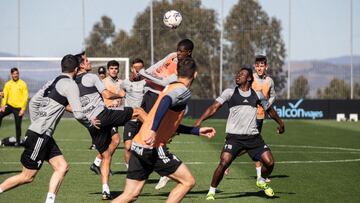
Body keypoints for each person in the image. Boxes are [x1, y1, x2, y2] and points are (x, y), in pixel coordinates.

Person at [112, 57, 216, 203]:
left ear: (177, 72)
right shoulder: (183, 91)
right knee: (187, 181)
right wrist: (154, 130)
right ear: (195, 75)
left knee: (130, 194)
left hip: (139, 143)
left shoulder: (171, 86)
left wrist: (196, 131)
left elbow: (169, 124)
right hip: (152, 147)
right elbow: (166, 101)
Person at [0, 54, 98, 203]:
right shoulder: (70, 85)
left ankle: (50, 201)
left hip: (43, 134)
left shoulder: (53, 81)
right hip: (40, 135)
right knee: (27, 177)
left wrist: (37, 123)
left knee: (62, 167)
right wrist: (91, 123)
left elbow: (33, 103)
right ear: (77, 69)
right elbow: (78, 114)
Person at [194, 67, 285, 200]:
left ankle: (262, 180)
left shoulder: (257, 95)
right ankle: (211, 191)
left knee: (270, 163)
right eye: (237, 74)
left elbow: (270, 110)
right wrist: (199, 121)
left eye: (241, 74)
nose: (238, 76)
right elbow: (214, 108)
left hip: (254, 138)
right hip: (234, 138)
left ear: (249, 78)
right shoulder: (229, 93)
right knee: (224, 163)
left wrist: (281, 123)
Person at [74, 52, 145, 200]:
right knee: (138, 112)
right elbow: (106, 95)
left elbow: (68, 106)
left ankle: (105, 189)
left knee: (108, 153)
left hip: (93, 123)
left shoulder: (72, 83)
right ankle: (156, 132)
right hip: (105, 115)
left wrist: (85, 115)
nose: (89, 62)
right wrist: (120, 95)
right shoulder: (94, 78)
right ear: (80, 65)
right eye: (86, 61)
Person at [139, 38, 194, 190]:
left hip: (162, 97)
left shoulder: (186, 67)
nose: (178, 53)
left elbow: (164, 83)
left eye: (181, 51)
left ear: (189, 52)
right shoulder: (171, 56)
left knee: (151, 133)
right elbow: (156, 68)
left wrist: (144, 74)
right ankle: (159, 166)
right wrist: (146, 73)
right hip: (150, 92)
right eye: (177, 50)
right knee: (142, 133)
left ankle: (165, 168)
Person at [224, 55, 276, 182]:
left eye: (262, 65)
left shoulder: (270, 81)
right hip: (250, 116)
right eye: (257, 66)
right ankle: (258, 175)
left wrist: (267, 104)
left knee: (253, 145)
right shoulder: (250, 78)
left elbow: (273, 95)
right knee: (252, 145)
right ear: (254, 67)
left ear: (266, 66)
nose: (259, 68)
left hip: (261, 115)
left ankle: (229, 159)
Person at [90, 60, 123, 176]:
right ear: (108, 70)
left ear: (118, 69)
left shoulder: (121, 82)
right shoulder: (102, 83)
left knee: (110, 142)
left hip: (117, 115)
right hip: (106, 115)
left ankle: (99, 164)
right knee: (116, 140)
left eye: (116, 68)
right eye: (112, 68)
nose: (114, 70)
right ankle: (100, 163)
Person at [120, 58, 146, 169]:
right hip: (130, 119)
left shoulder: (147, 82)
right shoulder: (125, 83)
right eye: (136, 68)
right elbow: (120, 94)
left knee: (146, 148)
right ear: (132, 69)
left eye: (141, 68)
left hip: (143, 119)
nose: (138, 70)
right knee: (128, 147)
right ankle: (129, 169)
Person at [0, 68, 28, 146]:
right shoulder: (8, 84)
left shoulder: (23, 84)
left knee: (18, 125)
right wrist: (2, 106)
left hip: (18, 108)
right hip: (9, 106)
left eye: (17, 73)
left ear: (18, 74)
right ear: (11, 74)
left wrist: (23, 109)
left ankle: (18, 142)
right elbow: (4, 96)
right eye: (14, 74)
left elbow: (25, 97)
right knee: (0, 114)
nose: (15, 75)